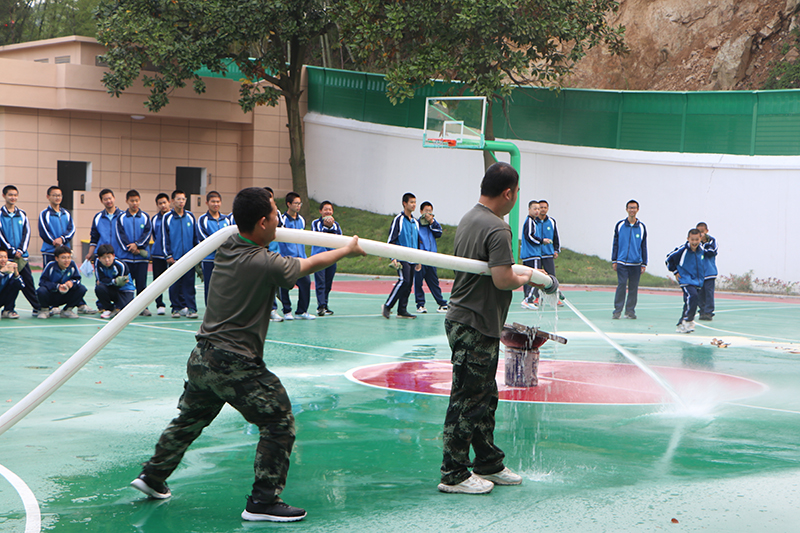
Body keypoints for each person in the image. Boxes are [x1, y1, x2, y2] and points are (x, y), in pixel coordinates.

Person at [130, 187, 366, 522]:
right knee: (278, 419)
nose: (279, 220)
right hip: (234, 362)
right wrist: (347, 249)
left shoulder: (228, 245)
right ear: (262, 223)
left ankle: (153, 475)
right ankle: (263, 500)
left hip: (202, 357)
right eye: (274, 215)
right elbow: (309, 263)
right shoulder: (264, 262)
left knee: (190, 420)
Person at [439, 162, 543, 495]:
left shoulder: (469, 218)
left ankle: (488, 461)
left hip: (468, 320)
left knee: (484, 394)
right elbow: (502, 279)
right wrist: (528, 277)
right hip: (475, 321)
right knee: (468, 398)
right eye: (518, 192)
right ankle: (454, 472)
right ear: (508, 193)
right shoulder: (498, 228)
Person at [0, 185, 41, 316]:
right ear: (4, 196)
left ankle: (38, 307)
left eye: (15, 195)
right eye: (10, 195)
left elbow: (27, 233)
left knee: (28, 282)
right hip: (6, 258)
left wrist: (21, 250)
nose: (13, 197)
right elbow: (0, 235)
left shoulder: (22, 214)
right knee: (10, 284)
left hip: (21, 257)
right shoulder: (0, 215)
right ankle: (8, 309)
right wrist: (11, 250)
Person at [382, 192, 422, 319]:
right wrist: (393, 257)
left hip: (412, 258)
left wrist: (418, 260)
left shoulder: (415, 222)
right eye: (411, 202)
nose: (414, 205)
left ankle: (402, 310)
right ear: (404, 203)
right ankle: (387, 306)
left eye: (415, 202)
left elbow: (417, 242)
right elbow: (391, 240)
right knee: (404, 280)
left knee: (409, 284)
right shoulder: (398, 220)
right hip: (401, 257)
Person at [278, 192, 315, 320]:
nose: (298, 206)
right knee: (285, 286)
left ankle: (301, 311)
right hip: (287, 259)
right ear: (289, 204)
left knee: (306, 283)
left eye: (300, 203)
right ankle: (287, 310)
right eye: (296, 203)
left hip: (301, 260)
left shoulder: (302, 220)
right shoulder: (282, 220)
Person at [116, 190, 153, 315]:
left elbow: (147, 234)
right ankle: (126, 307)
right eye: (132, 201)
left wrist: (137, 245)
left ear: (140, 200)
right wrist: (130, 248)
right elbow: (120, 236)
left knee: (142, 284)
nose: (134, 203)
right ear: (127, 201)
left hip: (141, 259)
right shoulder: (121, 217)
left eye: (136, 200)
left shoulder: (145, 217)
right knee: (126, 283)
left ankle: (143, 307)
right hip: (126, 258)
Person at [163, 190, 199, 319]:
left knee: (189, 284)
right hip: (174, 258)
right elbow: (164, 238)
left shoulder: (190, 216)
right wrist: (168, 255)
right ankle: (176, 308)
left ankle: (191, 308)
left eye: (183, 199)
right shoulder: (167, 217)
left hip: (189, 258)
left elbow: (195, 237)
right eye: (178, 199)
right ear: (172, 201)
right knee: (174, 285)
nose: (181, 202)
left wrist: (196, 254)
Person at [611, 199, 647, 319]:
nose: (632, 210)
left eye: (634, 208)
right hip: (622, 262)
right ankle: (617, 310)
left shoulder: (641, 227)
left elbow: (643, 246)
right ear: (626, 209)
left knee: (633, 288)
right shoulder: (620, 225)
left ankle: (630, 311)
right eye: (630, 208)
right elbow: (615, 243)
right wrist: (614, 260)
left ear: (638, 210)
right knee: (621, 285)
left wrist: (644, 263)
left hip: (636, 263)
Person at [666, 228, 707, 333]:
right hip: (685, 279)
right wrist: (675, 271)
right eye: (692, 239)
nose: (694, 242)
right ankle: (688, 320)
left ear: (700, 239)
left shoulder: (702, 250)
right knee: (692, 296)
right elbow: (668, 259)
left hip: (697, 281)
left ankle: (682, 324)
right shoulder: (682, 250)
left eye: (696, 239)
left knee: (691, 302)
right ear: (688, 239)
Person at [197, 191, 233, 305]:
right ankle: (210, 309)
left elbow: (231, 237)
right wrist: (220, 245)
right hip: (209, 259)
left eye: (218, 201)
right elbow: (203, 238)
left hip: (224, 259)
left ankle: (223, 309)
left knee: (225, 286)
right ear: (207, 203)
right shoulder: (202, 220)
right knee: (210, 285)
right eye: (213, 202)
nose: (215, 204)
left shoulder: (226, 219)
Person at [414, 201, 449, 314]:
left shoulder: (433, 224)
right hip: (420, 258)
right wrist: (417, 259)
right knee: (418, 282)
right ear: (421, 211)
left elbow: (439, 233)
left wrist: (432, 222)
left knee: (434, 282)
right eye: (426, 211)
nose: (428, 213)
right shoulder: (416, 224)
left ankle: (442, 304)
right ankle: (420, 305)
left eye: (430, 211)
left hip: (432, 258)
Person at [36, 245, 87, 319]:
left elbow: (78, 280)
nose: (66, 260)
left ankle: (67, 310)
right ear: (57, 258)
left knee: (82, 289)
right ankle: (45, 310)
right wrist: (57, 286)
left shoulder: (72, 265)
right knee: (41, 290)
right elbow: (42, 282)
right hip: (52, 295)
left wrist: (71, 283)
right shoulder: (51, 266)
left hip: (65, 295)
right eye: (63, 258)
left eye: (68, 257)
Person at [311, 200, 342, 316]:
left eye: (330, 209)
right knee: (320, 282)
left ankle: (325, 304)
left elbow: (340, 238)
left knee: (328, 283)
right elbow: (317, 235)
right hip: (319, 257)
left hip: (332, 257)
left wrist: (331, 227)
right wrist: (326, 226)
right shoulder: (315, 223)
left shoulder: (336, 225)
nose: (328, 212)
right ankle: (321, 306)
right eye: (325, 209)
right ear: (320, 211)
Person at [94, 244, 136, 319]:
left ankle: (120, 306)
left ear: (113, 256)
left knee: (125, 312)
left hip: (125, 290)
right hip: (112, 286)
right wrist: (114, 281)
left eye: (109, 257)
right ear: (99, 258)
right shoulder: (97, 263)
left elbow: (121, 283)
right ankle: (109, 309)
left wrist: (112, 281)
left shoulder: (121, 265)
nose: (107, 260)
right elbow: (100, 280)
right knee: (99, 287)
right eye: (104, 258)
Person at [38, 186, 76, 267]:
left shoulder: (66, 213)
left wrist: (62, 239)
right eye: (54, 195)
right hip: (50, 251)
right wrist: (55, 242)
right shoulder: (44, 214)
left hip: (65, 252)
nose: (57, 198)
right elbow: (44, 232)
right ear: (48, 197)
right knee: (49, 274)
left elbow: (71, 229)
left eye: (59, 195)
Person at [535, 199, 562, 306]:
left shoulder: (552, 221)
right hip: (537, 254)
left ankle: (555, 298)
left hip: (548, 254)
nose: (543, 209)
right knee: (537, 277)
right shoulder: (533, 221)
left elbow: (555, 236)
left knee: (551, 277)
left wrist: (556, 250)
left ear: (547, 209)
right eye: (541, 207)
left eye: (545, 207)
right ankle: (537, 298)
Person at [85, 189, 123, 261]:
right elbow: (94, 237)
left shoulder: (123, 216)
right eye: (105, 199)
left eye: (110, 198)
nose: (108, 201)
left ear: (114, 198)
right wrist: (90, 253)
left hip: (120, 255)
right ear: (101, 201)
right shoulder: (98, 217)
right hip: (102, 256)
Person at [150, 193, 172, 315]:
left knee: (175, 280)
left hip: (172, 255)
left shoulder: (174, 217)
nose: (163, 205)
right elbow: (155, 236)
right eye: (160, 203)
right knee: (158, 281)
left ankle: (177, 305)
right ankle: (160, 304)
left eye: (164, 202)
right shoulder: (154, 219)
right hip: (158, 254)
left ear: (169, 202)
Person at [520, 200, 542, 310]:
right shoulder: (530, 221)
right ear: (529, 209)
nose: (537, 211)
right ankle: (528, 299)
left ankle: (527, 299)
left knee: (528, 278)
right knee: (535, 277)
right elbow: (529, 236)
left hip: (530, 254)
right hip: (532, 254)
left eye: (538, 209)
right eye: (535, 209)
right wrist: (541, 241)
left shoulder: (533, 221)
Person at [696, 222, 718, 321]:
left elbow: (711, 252)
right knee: (700, 294)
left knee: (709, 293)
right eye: (698, 231)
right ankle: (702, 311)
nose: (701, 234)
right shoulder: (695, 242)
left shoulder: (712, 241)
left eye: (702, 231)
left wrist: (703, 247)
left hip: (709, 272)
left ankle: (708, 312)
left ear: (707, 231)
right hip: (698, 273)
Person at [0, 245, 22, 319]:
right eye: (0, 257)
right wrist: (1, 272)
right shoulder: (3, 270)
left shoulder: (9, 270)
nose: (3, 259)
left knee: (14, 284)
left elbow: (21, 286)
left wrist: (16, 273)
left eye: (5, 257)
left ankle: (8, 310)